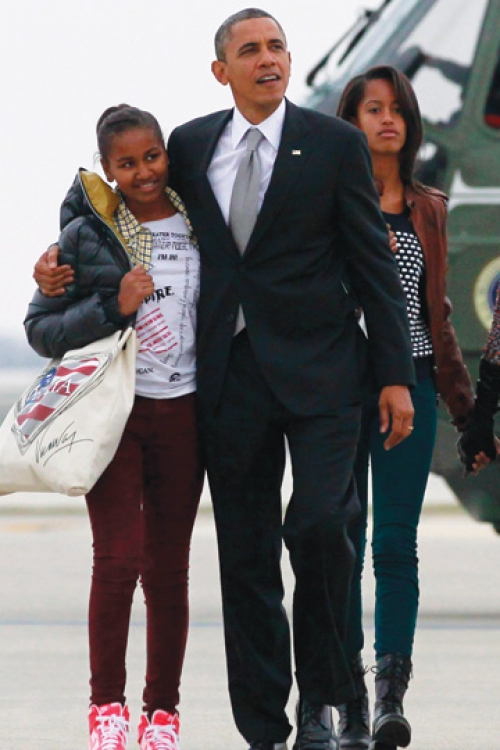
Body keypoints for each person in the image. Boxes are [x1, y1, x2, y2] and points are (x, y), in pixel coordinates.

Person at [33, 10, 416, 750]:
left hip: (325, 375)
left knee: (320, 528)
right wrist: (56, 258)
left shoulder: (334, 144)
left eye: (276, 47)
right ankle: (265, 726)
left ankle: (324, 700)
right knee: (245, 555)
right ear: (222, 71)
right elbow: (113, 200)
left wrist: (394, 375)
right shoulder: (189, 144)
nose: (268, 59)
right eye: (250, 50)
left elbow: (374, 264)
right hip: (230, 379)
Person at [25, 105, 203, 750]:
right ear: (107, 169)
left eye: (152, 156)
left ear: (166, 154)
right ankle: (106, 710)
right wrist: (114, 305)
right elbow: (40, 329)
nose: (144, 172)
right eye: (127, 163)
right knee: (118, 559)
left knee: (169, 570)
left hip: (186, 412)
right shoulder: (85, 237)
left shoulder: (200, 220)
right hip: (115, 415)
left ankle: (163, 715)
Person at [336, 66, 474, 749]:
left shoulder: (430, 208)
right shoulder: (328, 203)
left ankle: (388, 697)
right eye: (372, 109)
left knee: (395, 542)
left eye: (396, 109)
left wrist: (466, 409)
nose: (386, 119)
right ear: (350, 122)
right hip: (339, 388)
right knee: (340, 540)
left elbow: (437, 315)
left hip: (413, 384)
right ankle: (343, 700)